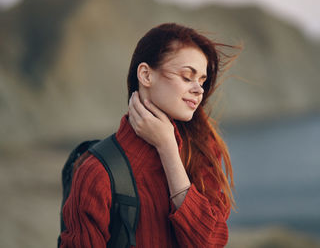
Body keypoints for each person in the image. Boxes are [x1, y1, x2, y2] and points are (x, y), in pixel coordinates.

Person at [60, 23, 239, 247]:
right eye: (186, 77)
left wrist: (168, 149)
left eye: (202, 81)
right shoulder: (96, 171)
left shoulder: (203, 149)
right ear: (146, 75)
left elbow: (210, 242)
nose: (199, 90)